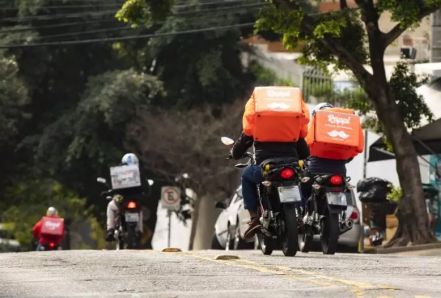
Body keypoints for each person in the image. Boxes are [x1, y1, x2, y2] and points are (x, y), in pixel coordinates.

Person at [230, 87, 310, 240]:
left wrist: (234, 154)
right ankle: (301, 213)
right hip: (291, 166)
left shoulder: (255, 123)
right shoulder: (295, 127)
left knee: (246, 176)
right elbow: (305, 153)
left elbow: (241, 144)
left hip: (266, 168)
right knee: (304, 180)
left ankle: (254, 218)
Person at [302, 103, 364, 202]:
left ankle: (303, 214)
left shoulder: (312, 130)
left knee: (303, 190)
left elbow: (304, 149)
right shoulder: (343, 130)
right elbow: (352, 154)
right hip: (339, 171)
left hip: (315, 170)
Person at [105, 153, 147, 241]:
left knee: (111, 206)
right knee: (140, 210)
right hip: (135, 199)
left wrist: (111, 191)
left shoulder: (118, 172)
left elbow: (112, 186)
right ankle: (139, 230)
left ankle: (110, 230)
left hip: (121, 199)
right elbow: (146, 187)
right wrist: (145, 193)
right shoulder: (140, 173)